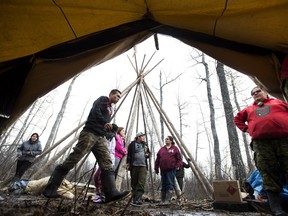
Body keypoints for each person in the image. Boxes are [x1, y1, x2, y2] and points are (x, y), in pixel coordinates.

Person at [43, 89, 129, 203]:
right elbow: (95, 111)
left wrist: (112, 130)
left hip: (100, 136)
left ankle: (111, 193)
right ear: (111, 94)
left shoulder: (110, 109)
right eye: (117, 96)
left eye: (120, 97)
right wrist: (105, 122)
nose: (118, 98)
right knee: (74, 158)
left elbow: (107, 128)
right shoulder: (103, 100)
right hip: (89, 133)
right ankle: (50, 189)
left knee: (107, 162)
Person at [234, 86, 288, 216]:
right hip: (261, 143)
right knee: (267, 171)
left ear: (265, 92)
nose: (256, 93)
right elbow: (237, 119)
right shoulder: (249, 109)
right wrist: (247, 129)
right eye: (253, 93)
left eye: (258, 91)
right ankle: (276, 208)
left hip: (284, 140)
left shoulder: (279, 102)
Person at [155, 136, 182, 204]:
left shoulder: (175, 149)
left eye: (167, 139)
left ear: (171, 141)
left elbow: (179, 159)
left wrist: (178, 166)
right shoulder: (162, 149)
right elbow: (158, 159)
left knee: (170, 184)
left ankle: (167, 200)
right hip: (163, 169)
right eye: (165, 139)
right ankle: (162, 200)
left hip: (171, 169)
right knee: (163, 184)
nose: (166, 140)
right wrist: (156, 168)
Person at [126, 132, 150, 205]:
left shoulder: (145, 145)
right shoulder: (132, 144)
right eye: (142, 136)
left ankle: (137, 199)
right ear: (138, 137)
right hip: (134, 165)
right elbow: (129, 154)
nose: (143, 138)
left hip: (143, 166)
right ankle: (135, 199)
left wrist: (147, 154)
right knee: (134, 183)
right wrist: (128, 163)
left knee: (141, 182)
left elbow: (149, 153)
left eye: (143, 137)